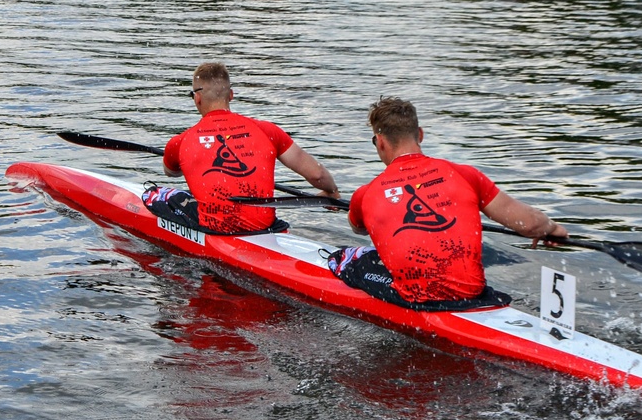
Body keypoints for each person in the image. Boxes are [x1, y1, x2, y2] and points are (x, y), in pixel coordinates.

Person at [328, 96, 568, 310]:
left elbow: (358, 229)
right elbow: (528, 224)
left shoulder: (365, 193)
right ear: (420, 134)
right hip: (472, 295)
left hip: (418, 301)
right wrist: (553, 229)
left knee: (347, 258)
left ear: (380, 142)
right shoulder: (465, 174)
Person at [143, 62, 339, 234]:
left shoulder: (180, 142)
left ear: (197, 98)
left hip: (214, 230)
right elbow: (317, 175)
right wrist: (332, 192)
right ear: (231, 95)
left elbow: (171, 172)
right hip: (264, 228)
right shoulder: (267, 131)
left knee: (160, 195)